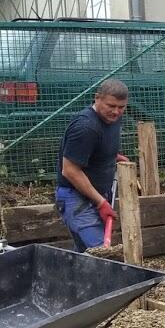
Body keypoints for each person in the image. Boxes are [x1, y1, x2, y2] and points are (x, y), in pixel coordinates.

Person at [55, 80, 129, 252]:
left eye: (121, 107)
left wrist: (112, 157)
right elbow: (70, 170)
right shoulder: (86, 127)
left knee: (85, 253)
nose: (116, 111)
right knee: (100, 251)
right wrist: (101, 203)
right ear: (97, 98)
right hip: (75, 198)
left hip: (98, 194)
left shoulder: (113, 119)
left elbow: (96, 148)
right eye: (111, 106)